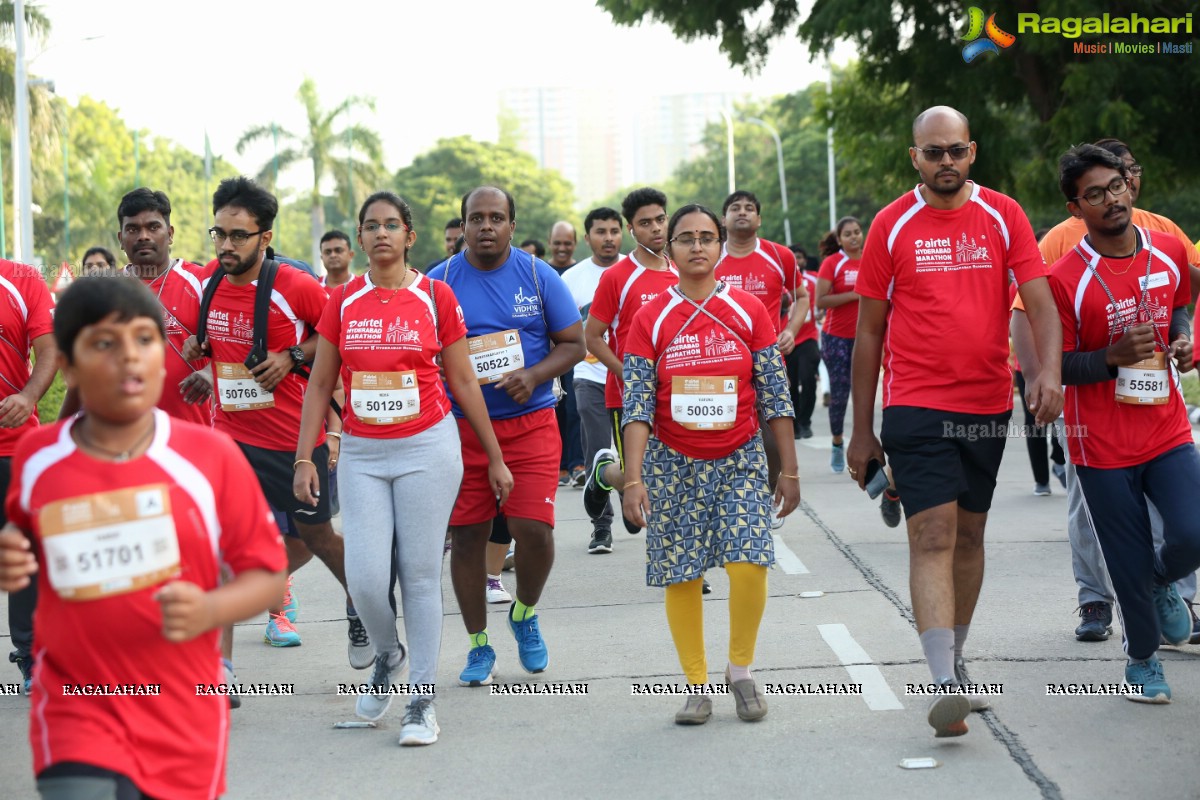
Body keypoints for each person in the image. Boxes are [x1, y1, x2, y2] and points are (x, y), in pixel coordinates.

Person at [0, 276, 285, 800]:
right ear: (67, 364)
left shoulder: (210, 457)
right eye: (104, 344)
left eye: (145, 339)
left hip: (183, 714)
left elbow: (268, 578)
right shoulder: (38, 457)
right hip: (76, 703)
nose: (129, 357)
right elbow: (24, 546)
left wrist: (209, 609)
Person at [847, 106, 1063, 737]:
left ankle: (957, 661)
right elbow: (868, 333)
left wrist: (1046, 372)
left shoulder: (1004, 215)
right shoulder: (891, 224)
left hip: (988, 405)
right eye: (933, 151)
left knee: (970, 537)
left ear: (972, 152)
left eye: (956, 151)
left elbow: (1041, 303)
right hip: (916, 403)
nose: (946, 161)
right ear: (914, 156)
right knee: (934, 535)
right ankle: (942, 683)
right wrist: (863, 429)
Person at [295, 192, 512, 745]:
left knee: (418, 573)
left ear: (409, 236)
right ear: (361, 238)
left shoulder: (435, 296)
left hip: (427, 448)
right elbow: (321, 383)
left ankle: (421, 700)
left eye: (393, 225)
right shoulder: (342, 300)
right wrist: (306, 456)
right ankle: (388, 655)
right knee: (366, 580)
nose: (382, 233)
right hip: (364, 454)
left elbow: (463, 380)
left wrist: (493, 455)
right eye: (372, 226)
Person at [621, 203, 800, 724]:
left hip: (741, 457)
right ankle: (696, 684)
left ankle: (740, 671)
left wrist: (787, 469)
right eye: (684, 238)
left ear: (720, 245)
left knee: (749, 564)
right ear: (668, 249)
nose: (696, 246)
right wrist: (634, 479)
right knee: (683, 573)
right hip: (671, 463)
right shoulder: (649, 318)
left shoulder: (748, 310)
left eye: (706, 237)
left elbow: (775, 394)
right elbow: (636, 404)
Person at [182, 176, 370, 666]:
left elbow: (338, 337)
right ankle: (216, 673)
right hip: (230, 438)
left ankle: (363, 607)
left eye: (238, 235)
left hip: (292, 443)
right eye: (219, 233)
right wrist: (199, 351)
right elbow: (214, 345)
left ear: (265, 237)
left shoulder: (294, 285)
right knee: (218, 550)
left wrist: (291, 355)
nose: (225, 245)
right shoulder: (209, 281)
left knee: (315, 538)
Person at [1025, 137, 1200, 643]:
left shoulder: (1167, 248)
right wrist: (1110, 357)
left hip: (1164, 427)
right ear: (1076, 207)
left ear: (1131, 183)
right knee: (1125, 555)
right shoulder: (1061, 277)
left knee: (1191, 533)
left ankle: (1160, 579)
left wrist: (1183, 339)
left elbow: (1180, 303)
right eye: (1096, 194)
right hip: (1100, 442)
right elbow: (1055, 365)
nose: (1113, 200)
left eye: (1118, 186)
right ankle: (1142, 660)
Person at [427, 186, 584, 686]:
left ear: (513, 226)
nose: (487, 226)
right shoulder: (438, 282)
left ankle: (524, 612)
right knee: (468, 536)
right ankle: (477, 644)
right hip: (461, 429)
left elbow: (575, 344)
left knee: (533, 530)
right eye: (477, 218)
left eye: (497, 218)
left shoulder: (539, 277)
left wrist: (535, 375)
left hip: (531, 423)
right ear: (463, 225)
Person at [583, 188, 678, 537]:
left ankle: (686, 562)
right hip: (630, 397)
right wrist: (630, 375)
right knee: (644, 476)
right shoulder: (618, 277)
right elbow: (592, 337)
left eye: (660, 220)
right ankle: (605, 472)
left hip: (677, 394)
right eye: (645, 223)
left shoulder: (683, 270)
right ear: (631, 229)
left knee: (676, 475)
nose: (655, 228)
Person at [716, 190, 807, 506]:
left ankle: (766, 497)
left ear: (759, 219)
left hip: (767, 358)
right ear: (724, 218)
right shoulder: (710, 256)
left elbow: (802, 296)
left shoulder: (780, 256)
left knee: (773, 431)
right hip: (719, 360)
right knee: (723, 431)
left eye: (749, 208)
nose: (742, 212)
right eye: (735, 208)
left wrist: (791, 330)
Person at [0, 256, 57, 696]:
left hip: (13, 448)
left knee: (23, 555)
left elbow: (49, 348)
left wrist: (29, 394)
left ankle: (30, 655)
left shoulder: (21, 279)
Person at [561, 207, 623, 553]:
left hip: (634, 378)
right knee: (599, 451)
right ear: (588, 238)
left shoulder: (638, 272)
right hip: (591, 376)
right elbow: (562, 331)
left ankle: (631, 493)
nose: (609, 237)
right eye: (601, 231)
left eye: (615, 230)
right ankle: (602, 527)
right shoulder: (571, 279)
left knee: (637, 453)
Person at [815, 216, 863, 473]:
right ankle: (837, 442)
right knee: (841, 393)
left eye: (857, 232)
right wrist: (856, 294)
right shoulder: (833, 263)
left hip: (866, 336)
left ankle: (861, 444)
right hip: (836, 338)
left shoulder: (872, 257)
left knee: (863, 394)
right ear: (840, 239)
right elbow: (820, 301)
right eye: (848, 234)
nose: (854, 237)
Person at [547, 221, 584, 486]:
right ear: (550, 242)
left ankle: (577, 463)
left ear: (575, 243)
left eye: (567, 243)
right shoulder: (542, 272)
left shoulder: (578, 272)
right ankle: (559, 465)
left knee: (575, 409)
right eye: (557, 243)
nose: (562, 248)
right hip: (548, 352)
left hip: (575, 351)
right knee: (555, 408)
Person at [788, 245, 821, 440]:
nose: (796, 260)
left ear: (804, 260)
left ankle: (805, 422)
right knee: (790, 385)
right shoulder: (781, 280)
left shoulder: (813, 279)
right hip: (787, 339)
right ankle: (794, 425)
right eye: (792, 257)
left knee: (808, 379)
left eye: (798, 257)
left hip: (808, 338)